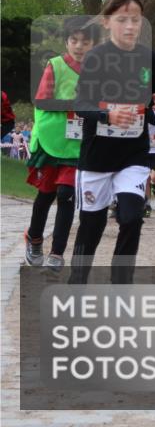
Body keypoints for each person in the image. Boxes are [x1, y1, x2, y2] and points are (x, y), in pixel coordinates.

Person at [68, 0, 155, 285]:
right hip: (97, 156)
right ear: (107, 23)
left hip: (133, 154)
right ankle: (77, 282)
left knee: (132, 216)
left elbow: (151, 100)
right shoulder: (95, 58)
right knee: (91, 225)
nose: (130, 26)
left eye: (135, 20)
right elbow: (81, 105)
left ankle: (120, 283)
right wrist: (107, 115)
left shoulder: (149, 58)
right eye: (122, 19)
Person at [24, 15, 99, 273]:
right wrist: (74, 105)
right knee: (45, 195)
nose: (79, 46)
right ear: (66, 42)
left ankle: (57, 253)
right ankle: (34, 239)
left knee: (66, 196)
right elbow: (42, 101)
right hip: (51, 139)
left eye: (85, 41)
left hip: (78, 145)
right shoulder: (54, 65)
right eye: (74, 40)